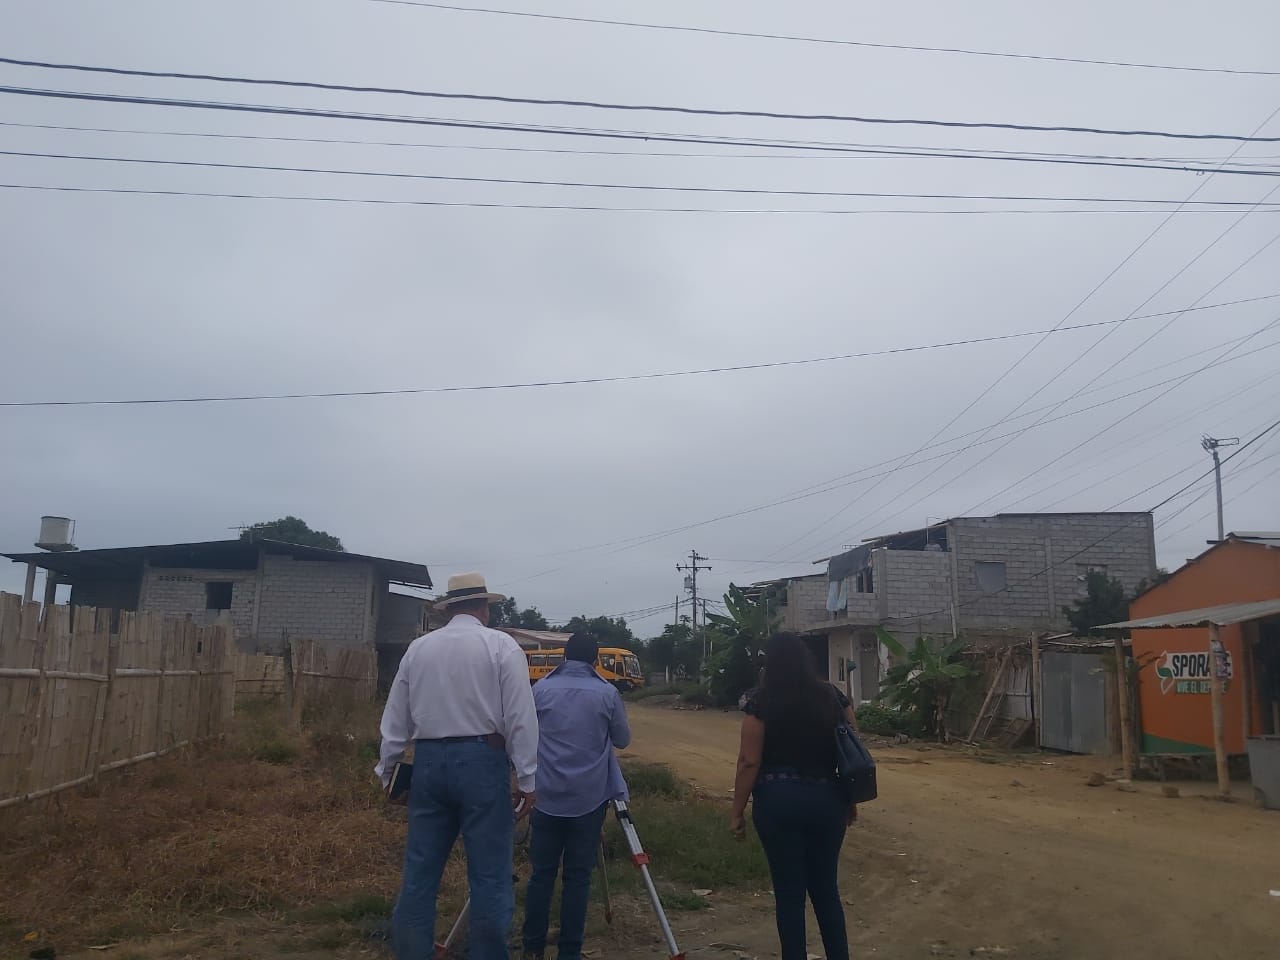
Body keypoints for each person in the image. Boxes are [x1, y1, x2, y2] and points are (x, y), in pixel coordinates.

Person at [376, 573, 539, 960]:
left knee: (420, 874)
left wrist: (388, 773)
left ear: (448, 609)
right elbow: (520, 717)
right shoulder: (501, 645)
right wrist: (528, 778)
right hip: (482, 762)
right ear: (484, 608)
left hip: (429, 762)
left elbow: (395, 718)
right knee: (490, 876)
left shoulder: (418, 649)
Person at [730, 633, 857, 960]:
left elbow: (749, 761)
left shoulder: (760, 702)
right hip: (828, 801)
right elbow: (852, 752)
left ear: (770, 663)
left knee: (789, 894)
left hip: (778, 802)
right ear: (806, 659)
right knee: (826, 890)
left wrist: (737, 811)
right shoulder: (834, 698)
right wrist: (850, 800)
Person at [521, 632, 631, 960]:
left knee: (541, 876)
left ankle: (532, 949)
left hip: (545, 798)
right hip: (588, 800)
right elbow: (622, 739)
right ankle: (569, 952)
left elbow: (525, 736)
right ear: (596, 660)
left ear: (564, 657)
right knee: (578, 878)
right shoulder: (607, 693)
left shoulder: (540, 690)